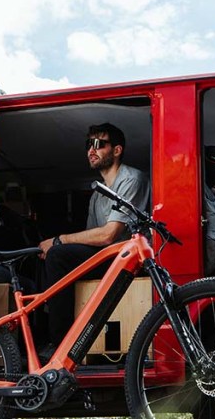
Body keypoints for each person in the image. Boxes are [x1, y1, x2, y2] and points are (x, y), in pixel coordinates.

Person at [37, 123, 149, 357]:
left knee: (58, 254)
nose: (91, 149)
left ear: (117, 150)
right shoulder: (97, 195)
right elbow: (89, 242)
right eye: (89, 144)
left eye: (99, 144)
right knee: (50, 258)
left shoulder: (131, 179)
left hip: (129, 261)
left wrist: (59, 241)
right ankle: (43, 330)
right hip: (108, 259)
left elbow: (109, 235)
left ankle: (61, 347)